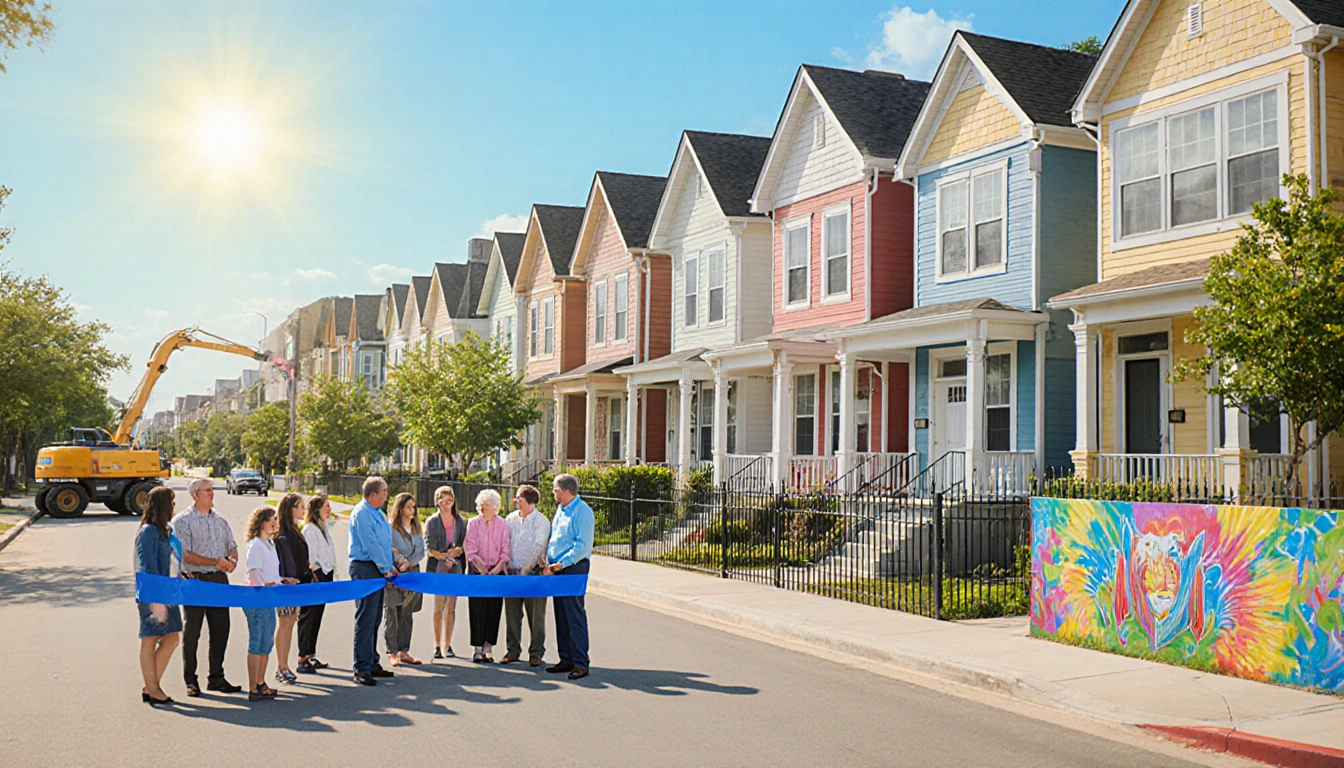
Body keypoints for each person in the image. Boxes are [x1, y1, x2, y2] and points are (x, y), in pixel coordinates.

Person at [172, 478, 241, 696]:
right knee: (192, 631)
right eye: (207, 491)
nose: (212, 494)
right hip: (196, 580)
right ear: (196, 495)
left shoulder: (220, 521)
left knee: (221, 629)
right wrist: (214, 561)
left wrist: (232, 561)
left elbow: (232, 546)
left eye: (212, 490)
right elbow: (184, 554)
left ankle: (216, 677)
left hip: (220, 580)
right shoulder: (182, 521)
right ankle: (190, 680)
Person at [242, 506, 298, 702]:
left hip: (269, 598)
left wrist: (284, 580)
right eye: (271, 519)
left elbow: (271, 574)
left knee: (266, 643)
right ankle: (253, 687)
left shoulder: (269, 544)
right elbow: (255, 572)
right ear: (261, 523)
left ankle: (260, 682)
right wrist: (265, 586)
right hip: (257, 598)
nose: (275, 522)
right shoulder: (256, 544)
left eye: (275, 519)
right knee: (257, 642)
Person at [136, 486, 183, 705]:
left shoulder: (166, 531)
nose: (174, 506)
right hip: (154, 593)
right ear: (162, 505)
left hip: (169, 592)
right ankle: (153, 689)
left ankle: (150, 686)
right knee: (151, 638)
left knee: (172, 639)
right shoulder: (148, 532)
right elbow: (148, 566)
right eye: (171, 502)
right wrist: (158, 593)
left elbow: (171, 561)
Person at [544, 473, 594, 680]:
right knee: (561, 615)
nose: (553, 492)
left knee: (574, 614)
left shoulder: (582, 512)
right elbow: (556, 538)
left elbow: (582, 546)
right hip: (556, 569)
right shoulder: (561, 510)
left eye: (555, 489)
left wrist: (561, 563)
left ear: (566, 490)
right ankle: (566, 659)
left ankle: (581, 662)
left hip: (573, 568)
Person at [349, 476, 396, 686]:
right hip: (365, 567)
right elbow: (371, 544)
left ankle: (372, 661)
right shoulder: (362, 514)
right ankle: (361, 667)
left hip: (379, 568)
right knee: (365, 618)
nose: (387, 495)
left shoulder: (378, 513)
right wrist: (386, 568)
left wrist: (390, 565)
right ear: (373, 494)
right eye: (384, 491)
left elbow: (385, 543)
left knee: (376, 617)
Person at [502, 484, 550, 667]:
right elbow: (505, 541)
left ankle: (536, 652)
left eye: (519, 500)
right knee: (512, 615)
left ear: (530, 503)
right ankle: (512, 649)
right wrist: (507, 563)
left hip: (533, 574)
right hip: (513, 573)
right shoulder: (511, 519)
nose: (516, 502)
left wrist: (526, 569)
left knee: (536, 615)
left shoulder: (542, 522)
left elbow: (539, 548)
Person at [463, 488, 510, 663]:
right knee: (477, 609)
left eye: (488, 504)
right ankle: (477, 648)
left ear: (495, 507)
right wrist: (482, 569)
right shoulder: (473, 524)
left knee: (494, 609)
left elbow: (506, 549)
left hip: (496, 572)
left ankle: (488, 647)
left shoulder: (502, 524)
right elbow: (471, 549)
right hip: (478, 572)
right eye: (482, 504)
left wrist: (497, 569)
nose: (484, 507)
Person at [272, 493, 310, 684]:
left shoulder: (296, 530)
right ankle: (281, 666)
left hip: (298, 584)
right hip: (286, 585)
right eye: (300, 506)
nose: (304, 510)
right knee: (285, 622)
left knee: (291, 620)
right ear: (290, 509)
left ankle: (285, 665)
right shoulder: (282, 534)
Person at [424, 485, 466, 660]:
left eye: (450, 500)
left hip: (455, 567)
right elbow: (428, 546)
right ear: (437, 501)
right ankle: (437, 645)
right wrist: (441, 555)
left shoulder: (461, 521)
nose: (447, 503)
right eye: (443, 500)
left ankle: (447, 645)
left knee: (451, 607)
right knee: (438, 607)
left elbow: (465, 543)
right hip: (438, 567)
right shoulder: (432, 522)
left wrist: (458, 551)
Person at [385, 492, 425, 667]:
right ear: (400, 509)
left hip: (412, 572)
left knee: (407, 613)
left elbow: (421, 551)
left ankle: (404, 650)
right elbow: (390, 549)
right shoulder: (391, 528)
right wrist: (401, 562)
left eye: (414, 507)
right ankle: (392, 652)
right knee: (392, 612)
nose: (412, 510)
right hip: (396, 572)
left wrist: (410, 563)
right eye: (409, 507)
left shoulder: (416, 527)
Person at [297, 494, 336, 674]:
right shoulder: (310, 530)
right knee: (308, 616)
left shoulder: (323, 528)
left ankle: (311, 654)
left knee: (317, 616)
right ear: (316, 510)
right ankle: (302, 656)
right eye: (325, 506)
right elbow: (310, 557)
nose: (328, 510)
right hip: (315, 575)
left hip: (326, 573)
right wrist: (315, 575)